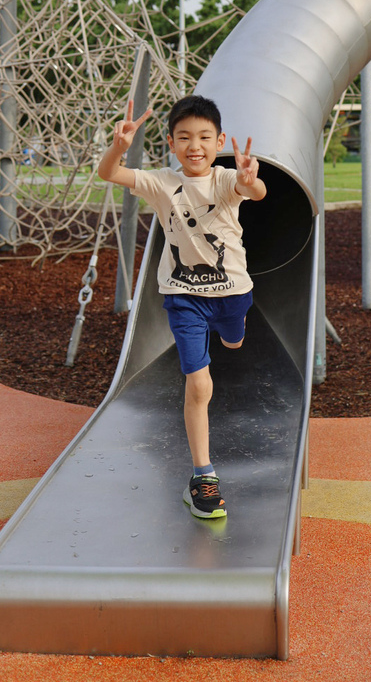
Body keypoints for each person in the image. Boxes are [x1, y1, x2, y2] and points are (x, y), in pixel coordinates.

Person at [97, 94, 266, 520]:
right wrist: (119, 145)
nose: (195, 145)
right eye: (185, 137)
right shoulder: (162, 182)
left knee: (232, 342)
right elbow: (109, 172)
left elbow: (255, 191)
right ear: (171, 143)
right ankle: (203, 476)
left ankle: (234, 329)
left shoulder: (226, 180)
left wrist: (251, 177)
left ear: (219, 140)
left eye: (205, 137)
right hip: (183, 297)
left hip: (232, 294)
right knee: (198, 385)